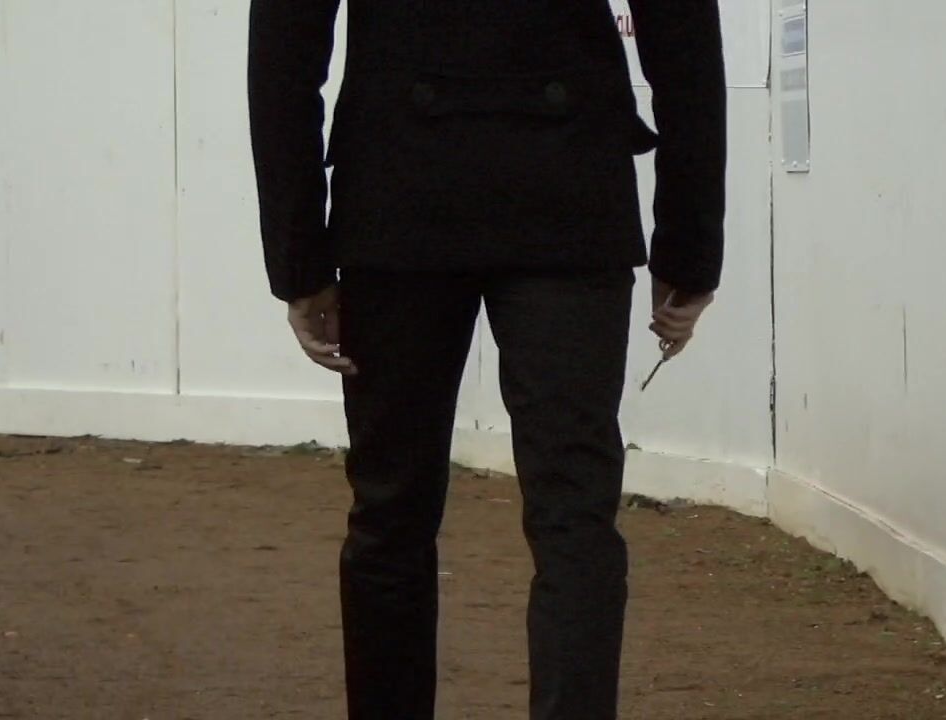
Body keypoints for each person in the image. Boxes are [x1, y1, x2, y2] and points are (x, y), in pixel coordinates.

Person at [247, 2, 726, 718]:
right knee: (574, 515)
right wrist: (688, 246)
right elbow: (682, 38)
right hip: (566, 189)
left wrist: (299, 260)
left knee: (391, 512)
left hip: (399, 196)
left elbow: (286, 49)